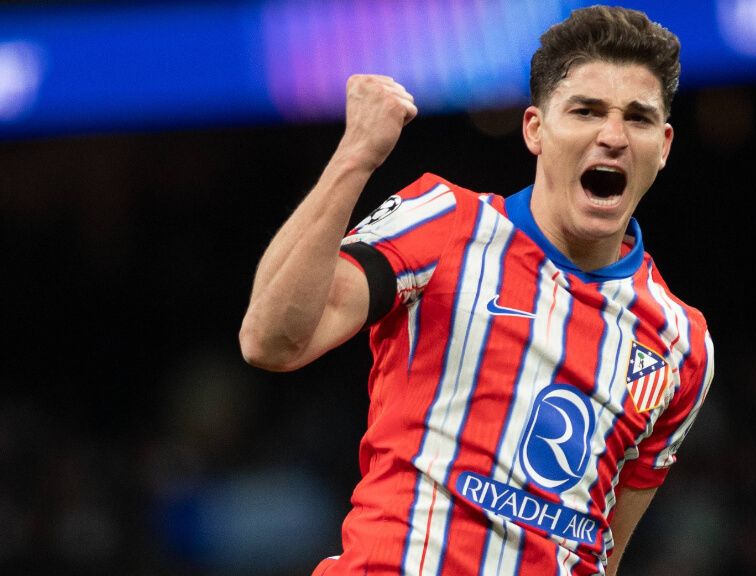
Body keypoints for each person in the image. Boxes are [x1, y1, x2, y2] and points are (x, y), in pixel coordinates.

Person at [240, 5, 714, 575]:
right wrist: (355, 156)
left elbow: (604, 554)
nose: (611, 135)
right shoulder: (444, 223)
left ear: (663, 145)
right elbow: (271, 340)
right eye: (585, 111)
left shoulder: (681, 343)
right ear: (535, 129)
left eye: (636, 118)